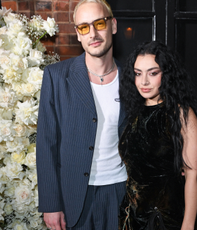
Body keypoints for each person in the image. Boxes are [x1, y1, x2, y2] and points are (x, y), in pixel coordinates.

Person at [36, 1, 127, 230]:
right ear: (78, 33)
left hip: (122, 193)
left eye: (99, 23)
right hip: (75, 196)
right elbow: (46, 143)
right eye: (84, 27)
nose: (93, 34)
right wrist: (51, 204)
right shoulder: (56, 77)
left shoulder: (134, 80)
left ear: (113, 25)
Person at [118, 41, 197, 230]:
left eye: (153, 73)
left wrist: (188, 226)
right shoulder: (135, 112)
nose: (144, 81)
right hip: (130, 216)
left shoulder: (181, 114)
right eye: (138, 73)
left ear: (167, 75)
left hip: (163, 219)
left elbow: (193, 175)